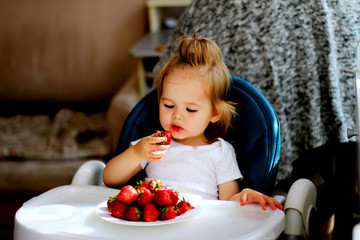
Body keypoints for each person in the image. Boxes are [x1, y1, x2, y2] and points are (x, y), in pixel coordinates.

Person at [103, 34, 283, 211]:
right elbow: (110, 179)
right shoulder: (154, 144)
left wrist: (245, 196)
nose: (177, 115)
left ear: (214, 113)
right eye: (168, 105)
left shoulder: (220, 152)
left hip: (200, 227)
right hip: (154, 222)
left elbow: (228, 205)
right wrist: (136, 153)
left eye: (191, 109)